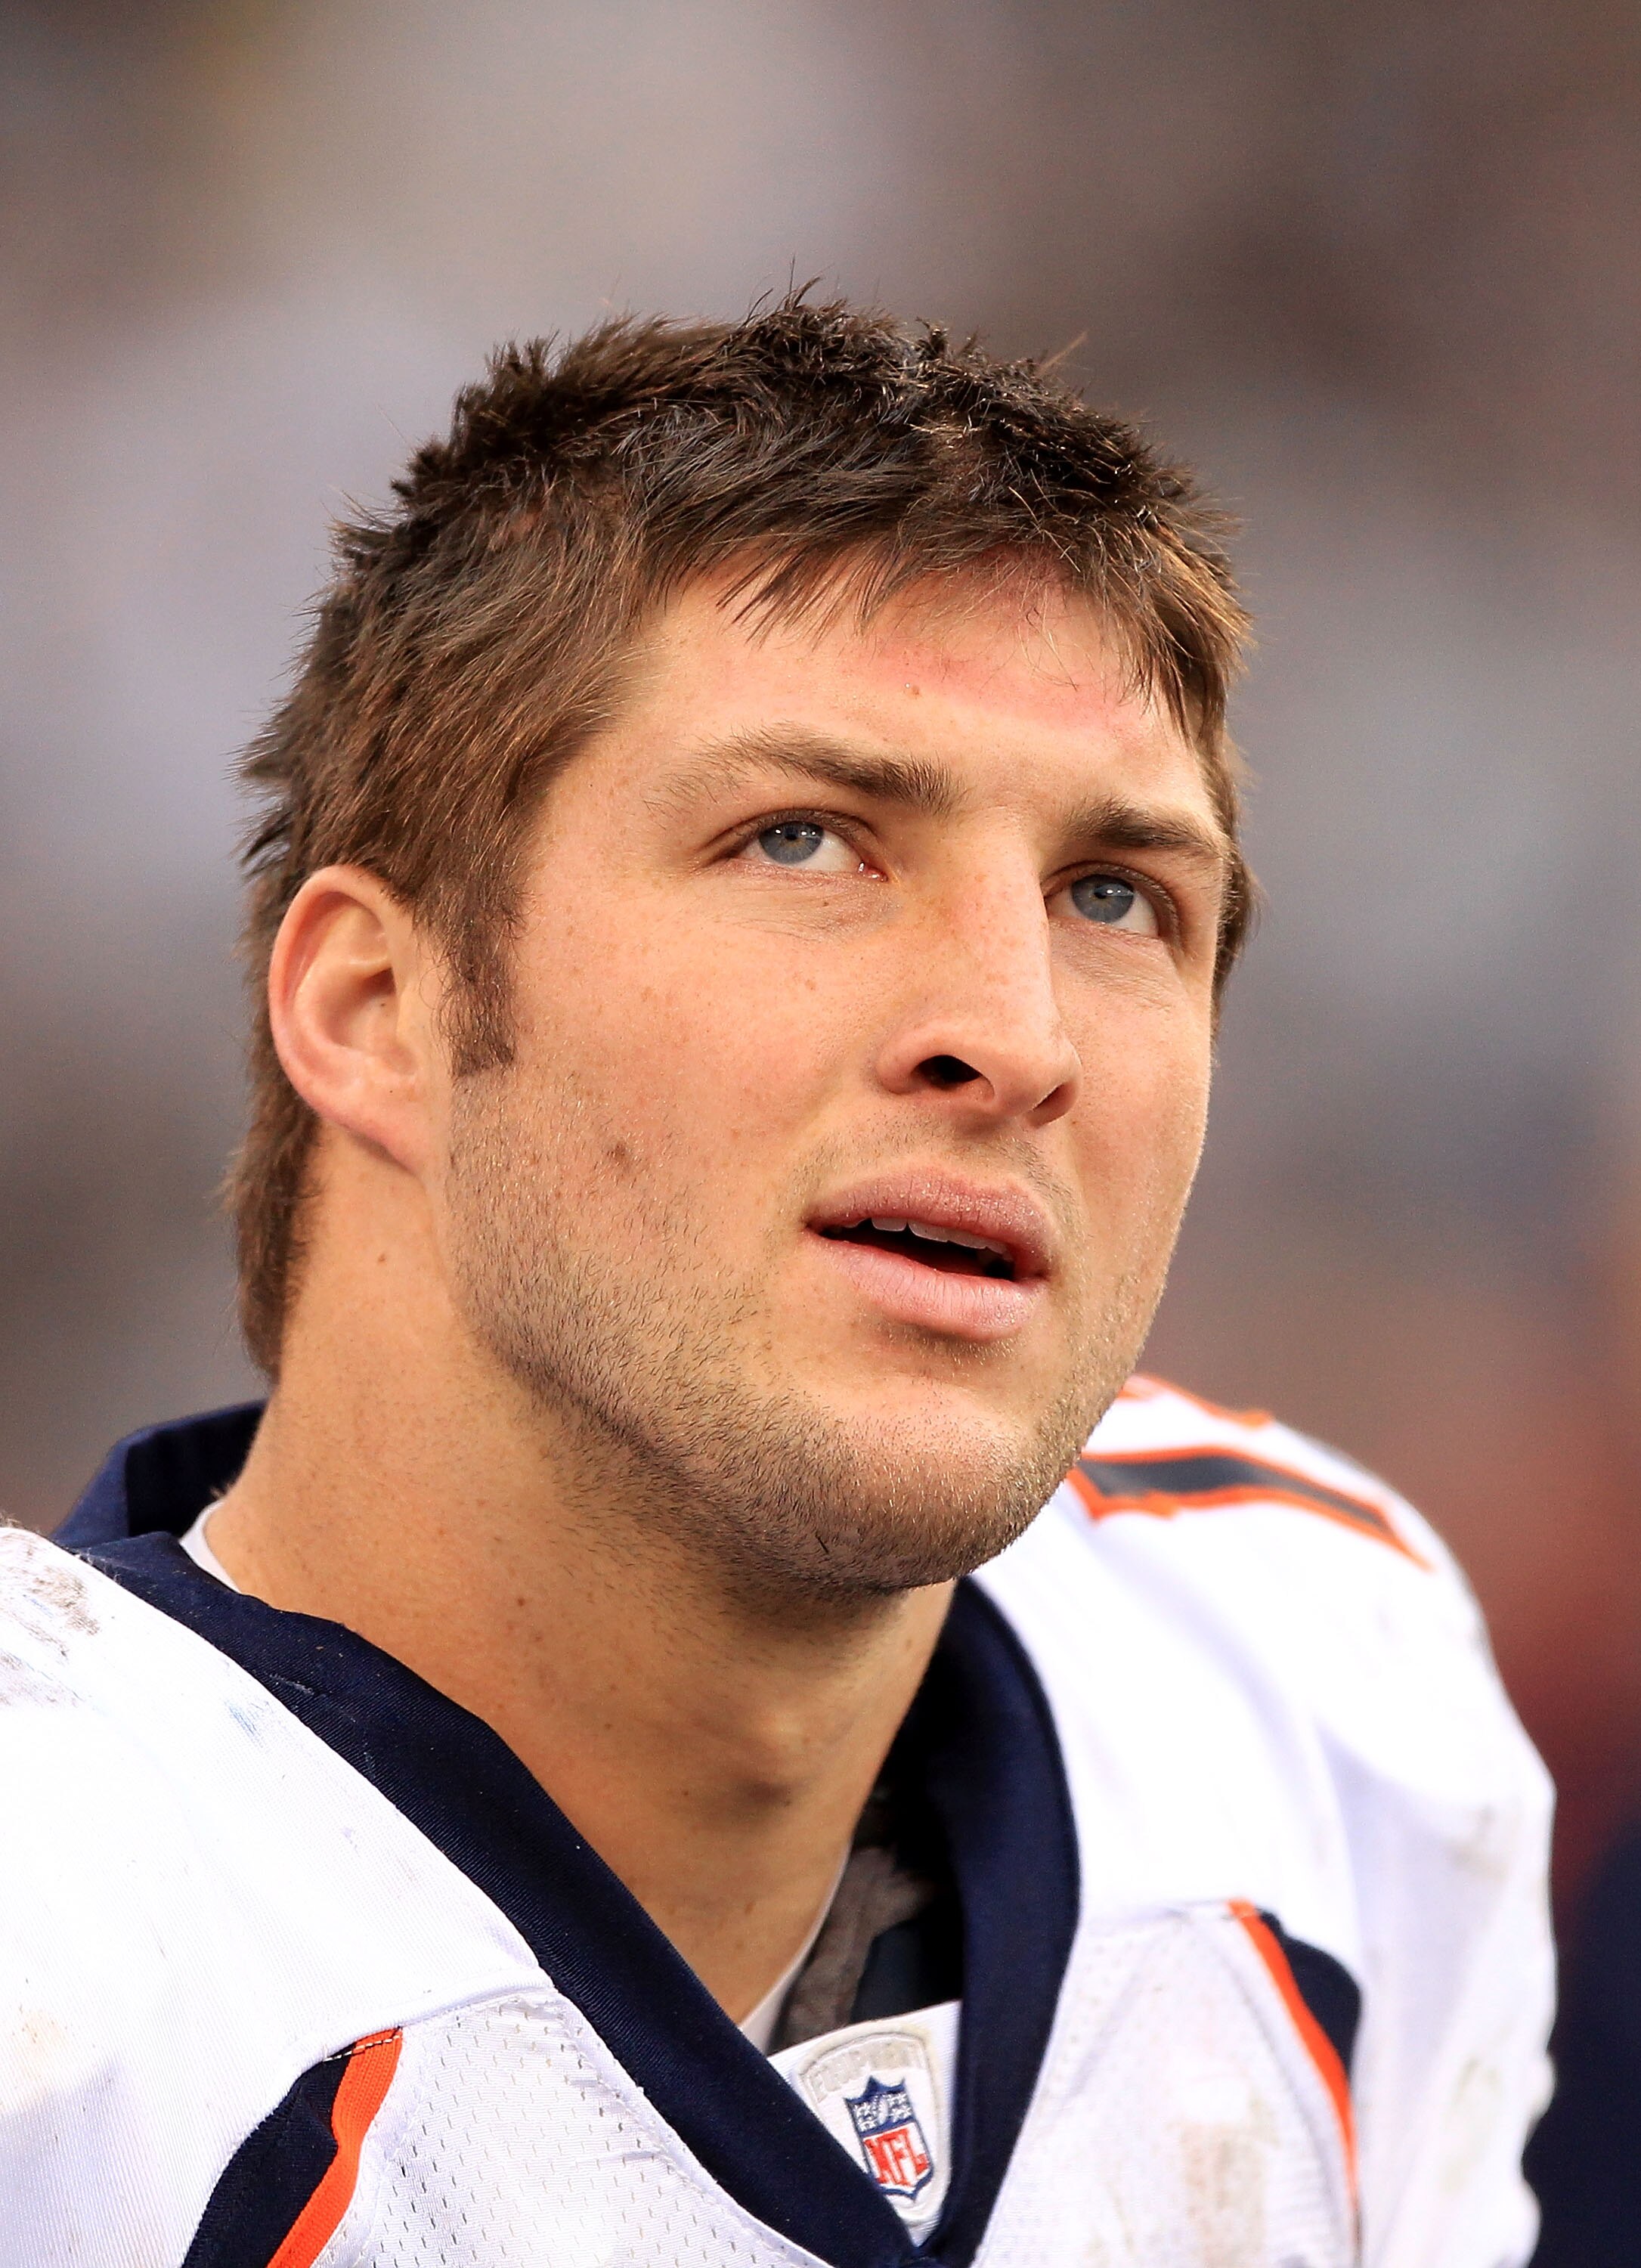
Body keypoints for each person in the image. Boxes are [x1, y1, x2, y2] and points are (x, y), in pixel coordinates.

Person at [3, 299, 1551, 2267]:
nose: (1015, 1031)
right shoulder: (57, 1956)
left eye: (1115, 896)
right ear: (376, 1008)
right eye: (804, 839)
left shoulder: (1327, 1710)